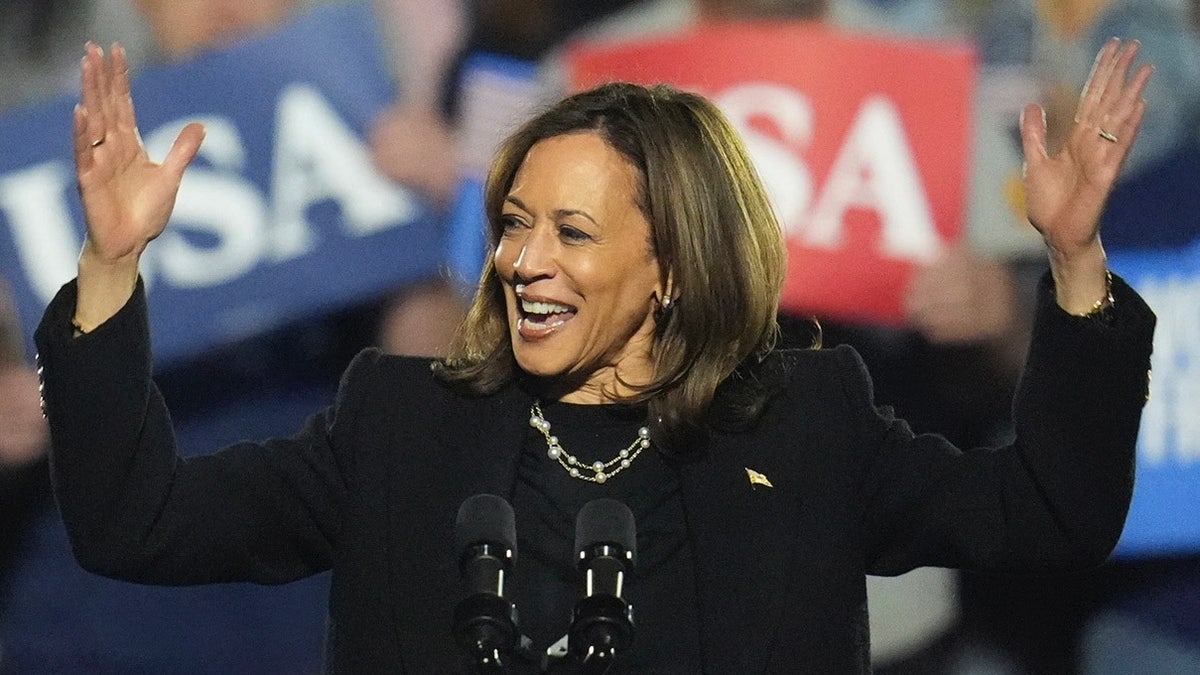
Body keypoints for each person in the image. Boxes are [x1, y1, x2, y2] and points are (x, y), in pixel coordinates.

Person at [35, 37, 1154, 672]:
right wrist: (110, 268)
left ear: (672, 262)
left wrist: (1074, 264)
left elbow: (1052, 510)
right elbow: (138, 523)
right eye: (514, 224)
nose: (523, 259)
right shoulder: (398, 424)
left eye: (571, 232)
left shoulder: (808, 424)